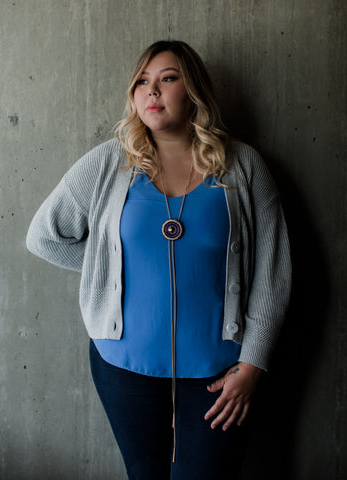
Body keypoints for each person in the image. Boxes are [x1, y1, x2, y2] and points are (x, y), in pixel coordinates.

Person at [26, 40, 291, 479]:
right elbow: (44, 237)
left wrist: (254, 364)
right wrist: (109, 274)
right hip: (123, 367)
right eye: (142, 82)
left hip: (221, 373)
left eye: (167, 79)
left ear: (194, 93)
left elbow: (274, 274)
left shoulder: (243, 166)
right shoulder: (108, 163)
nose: (152, 91)